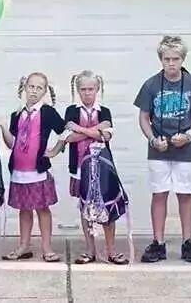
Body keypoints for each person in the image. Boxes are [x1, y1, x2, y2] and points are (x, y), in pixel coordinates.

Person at [133, 35, 191, 263]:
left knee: (185, 194)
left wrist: (189, 135)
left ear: (182, 59)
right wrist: (152, 139)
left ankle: (188, 242)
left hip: (185, 150)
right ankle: (158, 242)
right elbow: (144, 117)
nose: (171, 63)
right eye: (166, 59)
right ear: (161, 59)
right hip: (159, 149)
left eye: (175, 59)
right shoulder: (151, 85)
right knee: (159, 194)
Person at [47, 70, 129, 265]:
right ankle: (90, 250)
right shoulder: (72, 111)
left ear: (97, 89)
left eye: (91, 89)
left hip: (102, 166)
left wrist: (80, 129)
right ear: (78, 90)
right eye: (83, 89)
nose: (87, 93)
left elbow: (106, 136)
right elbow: (69, 137)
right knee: (85, 207)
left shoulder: (104, 111)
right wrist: (95, 131)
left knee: (107, 206)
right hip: (79, 166)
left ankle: (111, 250)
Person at [0, 72, 66, 262]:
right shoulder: (17, 114)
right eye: (31, 86)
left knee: (42, 208)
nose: (34, 91)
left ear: (45, 91)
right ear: (25, 88)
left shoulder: (48, 112)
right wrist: (3, 127)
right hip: (19, 171)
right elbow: (12, 143)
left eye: (39, 88)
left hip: (37, 171)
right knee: (24, 209)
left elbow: (65, 131)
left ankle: (47, 247)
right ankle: (24, 246)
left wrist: (55, 150)